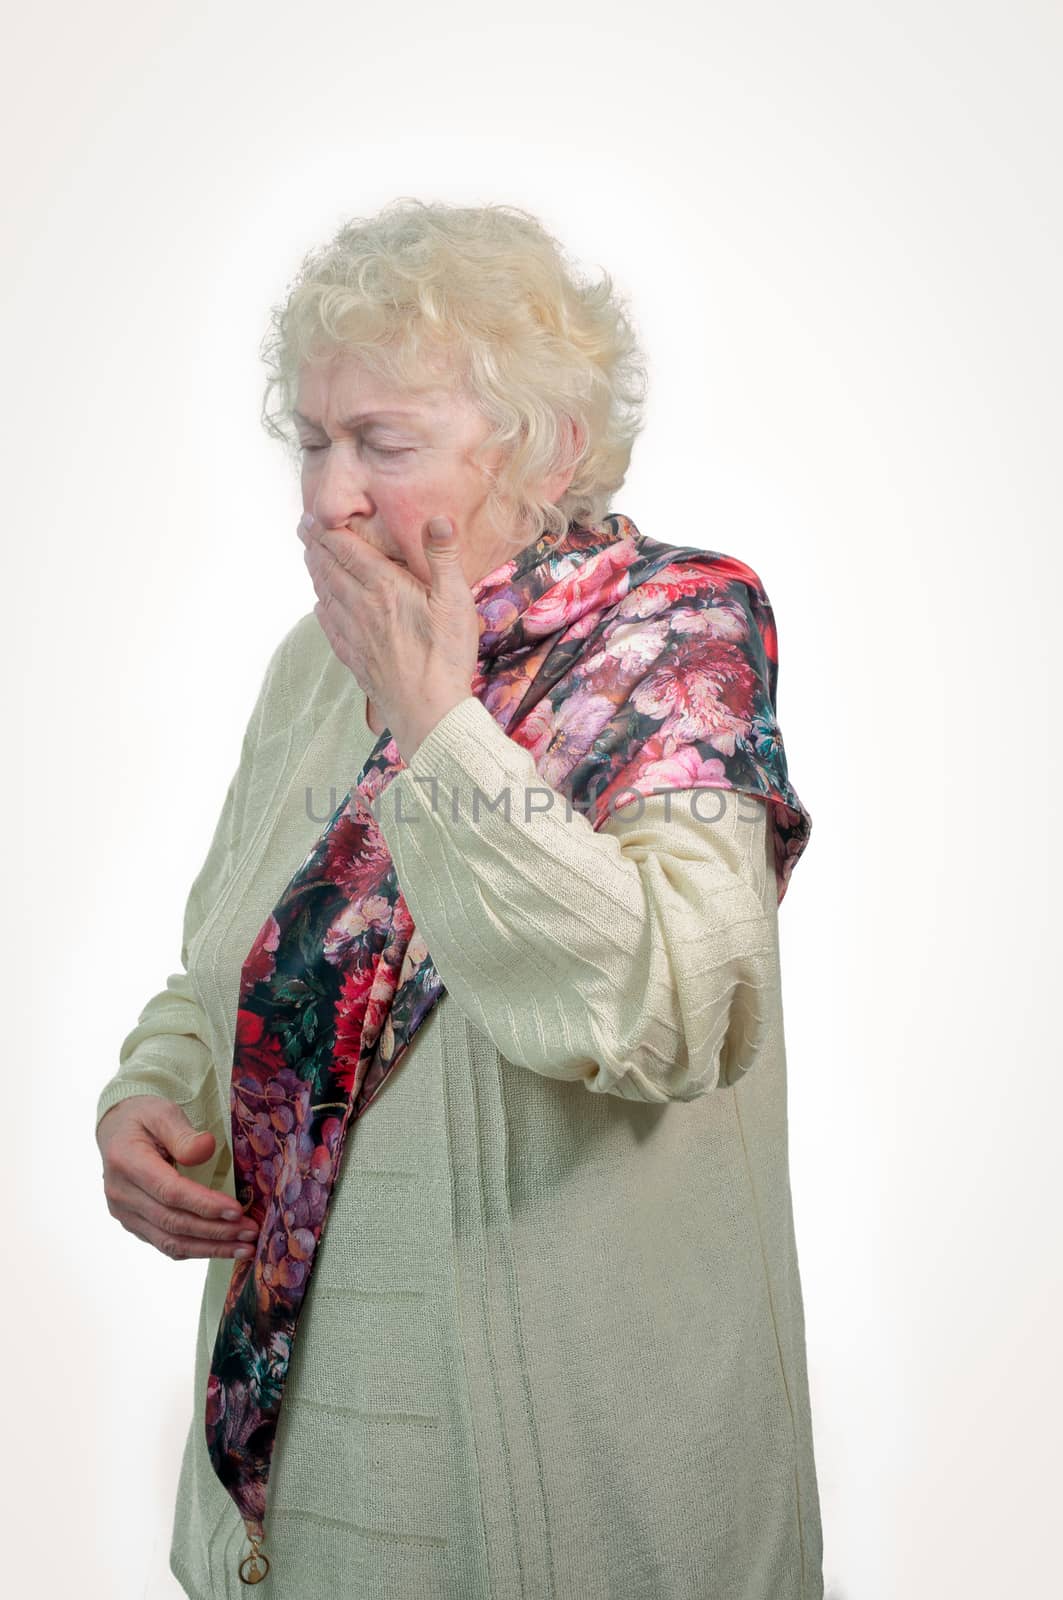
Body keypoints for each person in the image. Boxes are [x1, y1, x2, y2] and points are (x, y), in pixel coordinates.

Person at [95, 197, 825, 1599]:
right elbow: (223, 969)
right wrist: (151, 1094)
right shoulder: (317, 667)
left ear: (543, 447)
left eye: (384, 442)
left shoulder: (676, 642)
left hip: (570, 1507)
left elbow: (674, 1011)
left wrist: (439, 719)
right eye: (311, 439)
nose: (327, 495)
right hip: (307, 1477)